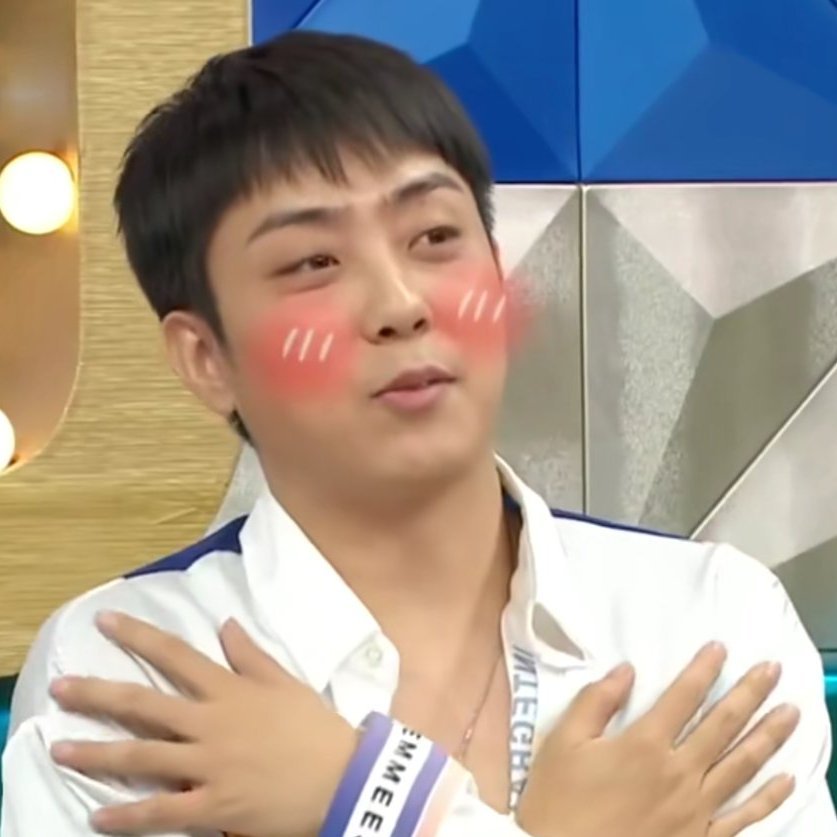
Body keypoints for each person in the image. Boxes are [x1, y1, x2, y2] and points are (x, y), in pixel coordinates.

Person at [1, 30, 834, 837]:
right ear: (206, 357)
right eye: (312, 263)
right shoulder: (132, 671)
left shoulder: (707, 623)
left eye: (435, 237)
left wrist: (365, 795)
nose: (400, 304)